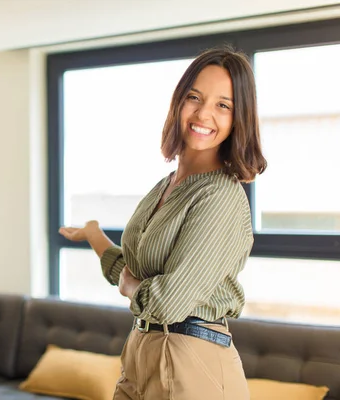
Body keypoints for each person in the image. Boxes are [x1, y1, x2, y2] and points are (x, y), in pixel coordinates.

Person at [59, 46, 267, 400]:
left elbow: (167, 300)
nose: (203, 113)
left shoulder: (219, 197)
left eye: (223, 105)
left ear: (238, 118)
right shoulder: (166, 186)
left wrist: (130, 288)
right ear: (178, 102)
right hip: (144, 347)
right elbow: (134, 272)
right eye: (194, 97)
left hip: (193, 357)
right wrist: (94, 235)